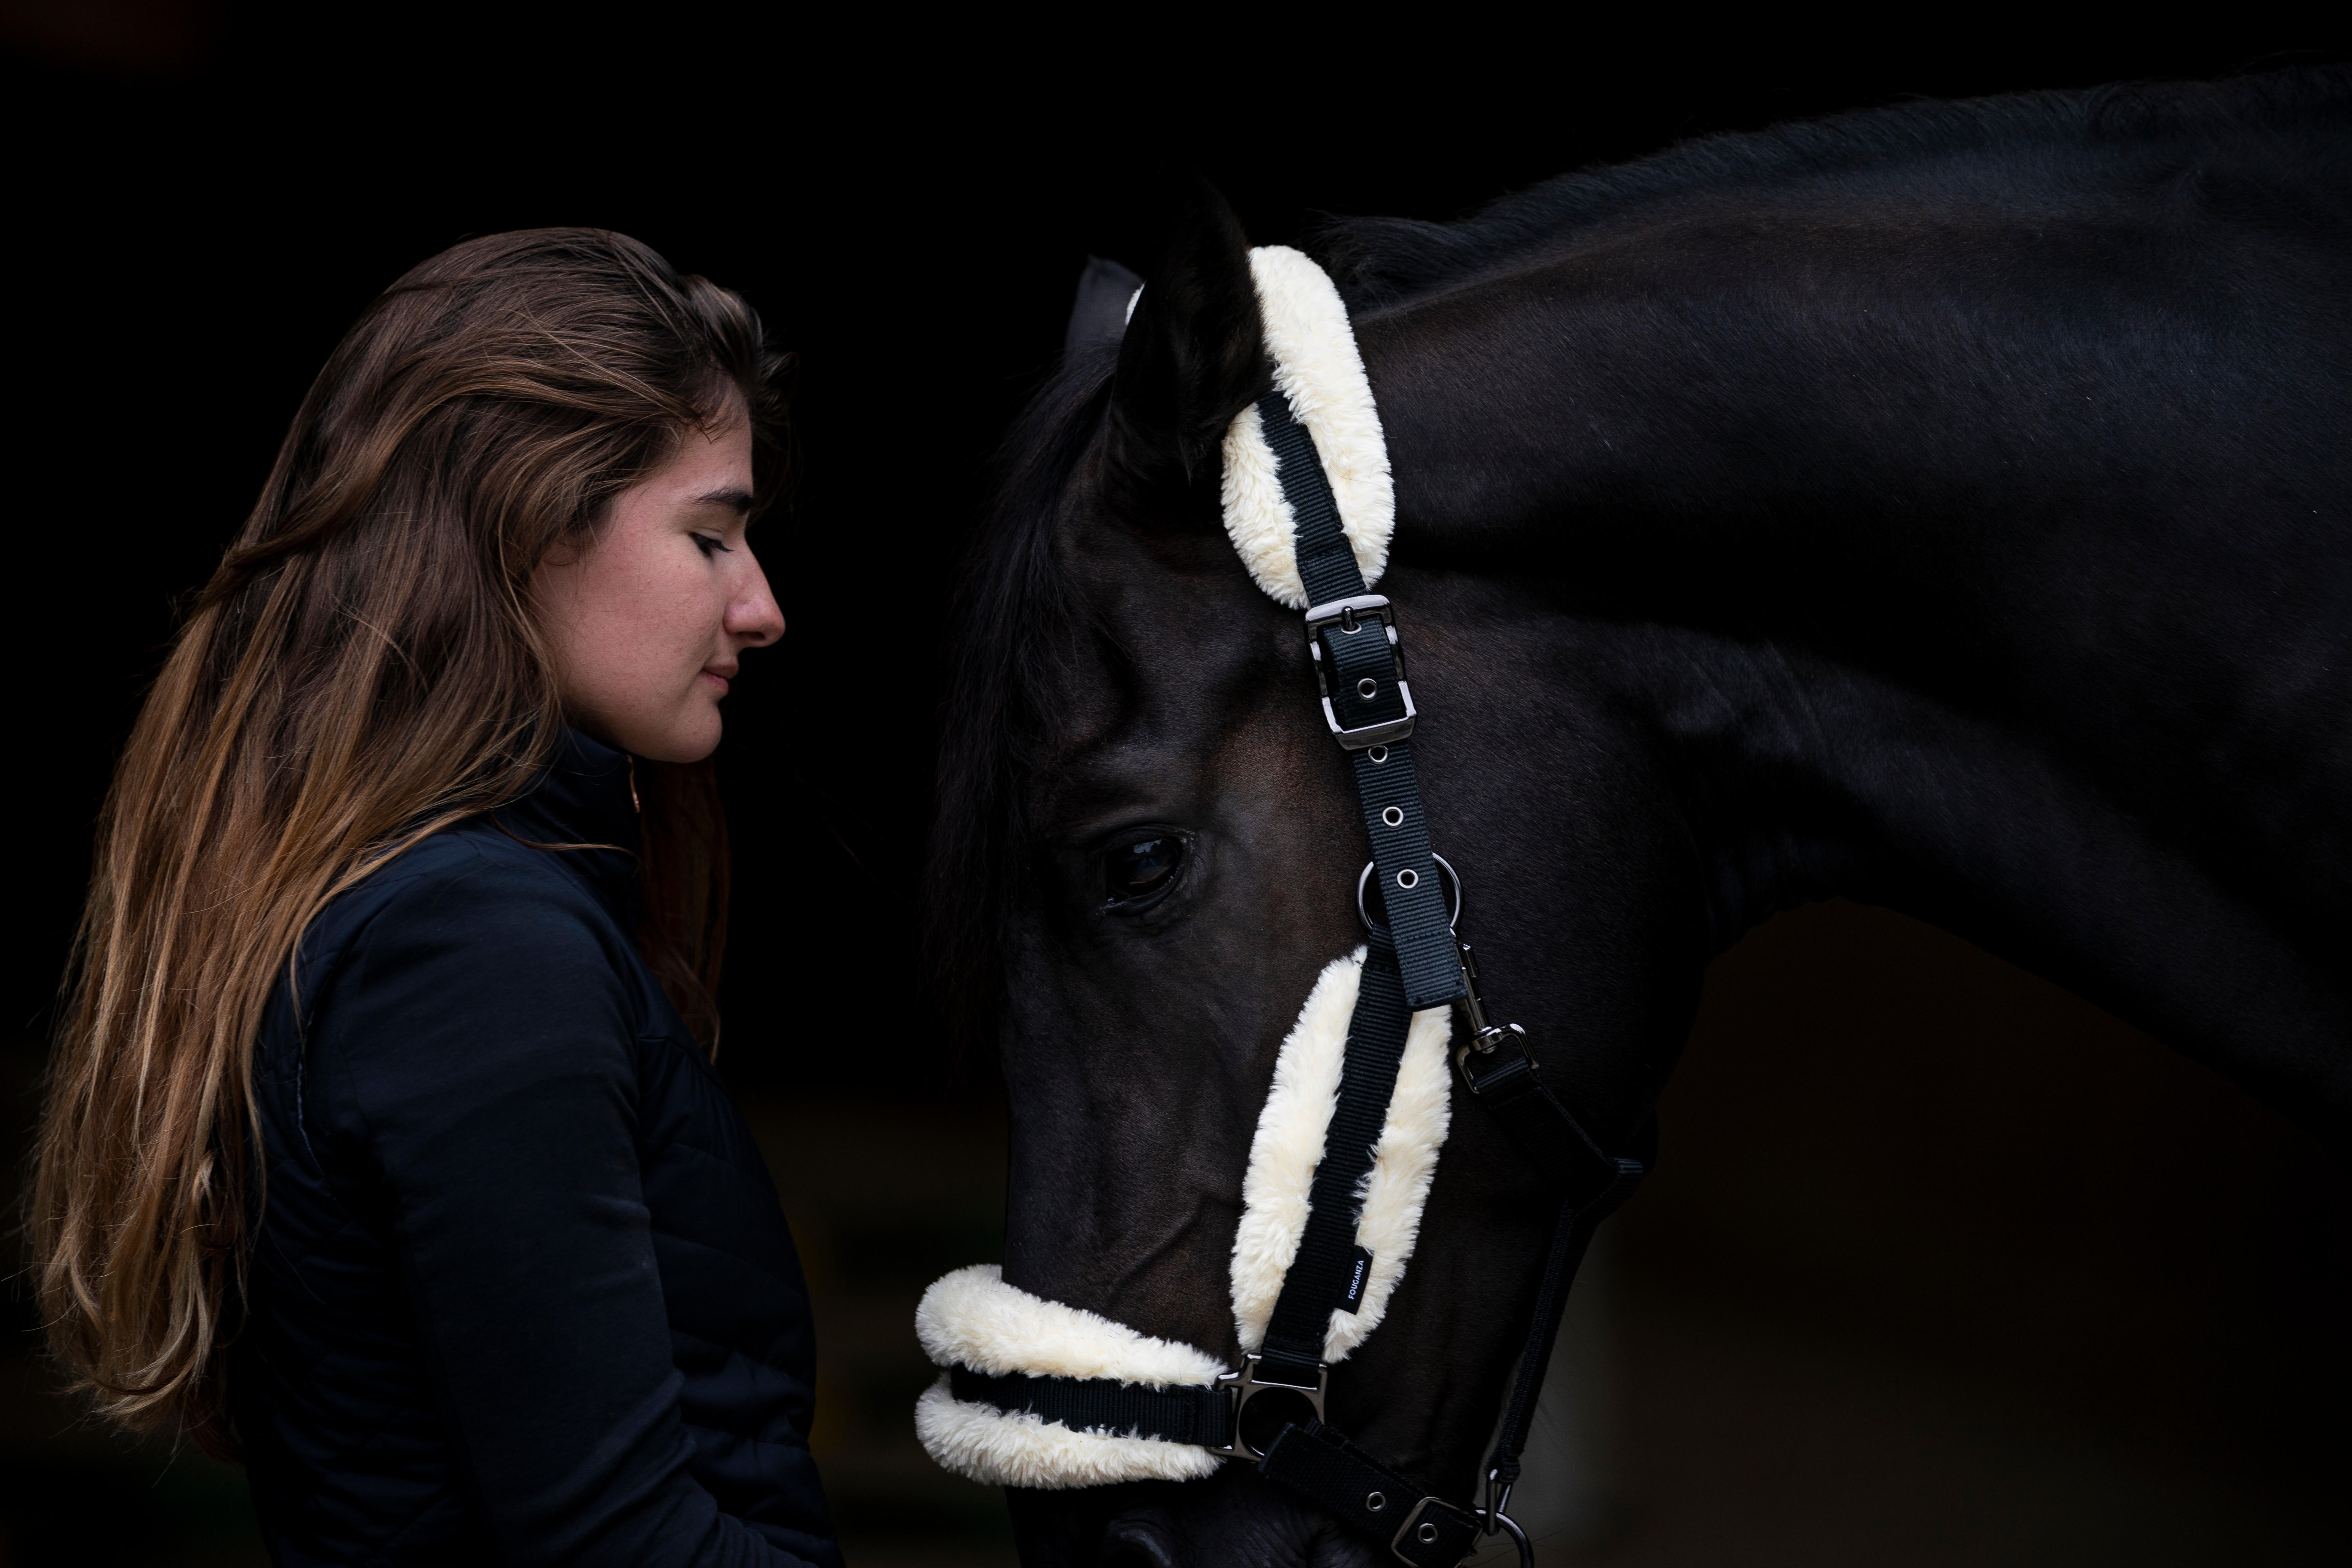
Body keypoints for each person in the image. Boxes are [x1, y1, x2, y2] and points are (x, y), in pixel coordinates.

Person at [32, 229, 840, 1567]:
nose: (760, 605)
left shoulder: (459, 916)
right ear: (527, 523)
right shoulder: (472, 950)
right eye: (711, 535)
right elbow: (615, 1547)